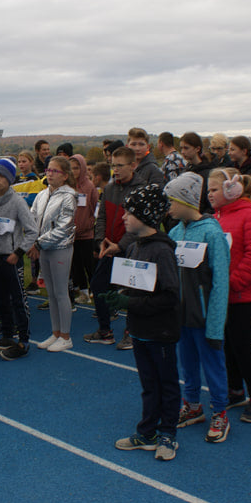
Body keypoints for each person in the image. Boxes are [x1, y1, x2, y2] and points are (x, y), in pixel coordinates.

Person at [108, 184, 182, 461]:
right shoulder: (135, 247)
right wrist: (120, 296)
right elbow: (134, 285)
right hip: (139, 330)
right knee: (149, 384)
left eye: (130, 212)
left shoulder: (162, 251)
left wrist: (130, 303)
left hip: (160, 331)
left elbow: (170, 296)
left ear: (146, 216)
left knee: (167, 384)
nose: (124, 217)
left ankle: (168, 435)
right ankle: (147, 432)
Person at [165, 172, 231, 443]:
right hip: (182, 316)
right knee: (187, 363)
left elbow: (220, 283)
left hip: (205, 318)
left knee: (213, 365)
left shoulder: (212, 233)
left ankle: (220, 413)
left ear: (186, 201)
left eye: (171, 201)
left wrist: (216, 324)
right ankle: (192, 405)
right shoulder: (173, 232)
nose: (168, 208)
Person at [208, 168, 251, 422]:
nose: (209, 195)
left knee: (243, 347)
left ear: (230, 190)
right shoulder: (216, 218)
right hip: (222, 296)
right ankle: (235, 390)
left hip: (244, 296)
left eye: (213, 190)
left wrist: (231, 284)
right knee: (227, 347)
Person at [85, 147, 145, 349]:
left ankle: (132, 331)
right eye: (113, 165)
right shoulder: (109, 189)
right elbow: (101, 217)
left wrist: (120, 246)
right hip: (108, 248)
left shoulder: (141, 189)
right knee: (98, 285)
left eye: (120, 166)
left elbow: (139, 224)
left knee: (130, 292)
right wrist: (101, 240)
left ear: (133, 165)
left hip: (130, 249)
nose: (115, 170)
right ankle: (105, 330)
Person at [0, 158, 39, 360]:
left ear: (10, 179)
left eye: (2, 176)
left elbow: (32, 230)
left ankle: (23, 340)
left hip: (10, 258)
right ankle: (7, 335)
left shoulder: (17, 202)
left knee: (17, 300)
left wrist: (19, 252)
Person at [29, 156, 77, 352]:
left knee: (60, 292)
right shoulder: (41, 195)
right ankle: (55, 332)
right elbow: (32, 219)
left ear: (64, 176)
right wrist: (32, 240)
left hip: (60, 249)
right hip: (44, 249)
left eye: (54, 171)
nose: (49, 173)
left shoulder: (69, 196)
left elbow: (64, 228)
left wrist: (38, 244)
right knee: (51, 293)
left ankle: (66, 336)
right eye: (48, 170)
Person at [69, 154, 99, 305]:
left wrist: (89, 223)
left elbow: (95, 208)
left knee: (89, 265)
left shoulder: (89, 186)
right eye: (71, 168)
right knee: (76, 265)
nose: (73, 171)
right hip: (71, 235)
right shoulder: (67, 186)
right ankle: (83, 292)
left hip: (86, 235)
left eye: (76, 168)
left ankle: (95, 290)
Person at [179, 132, 215, 213]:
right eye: (181, 148)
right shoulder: (186, 170)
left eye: (186, 148)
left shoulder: (208, 173)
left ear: (197, 149)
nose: (182, 152)